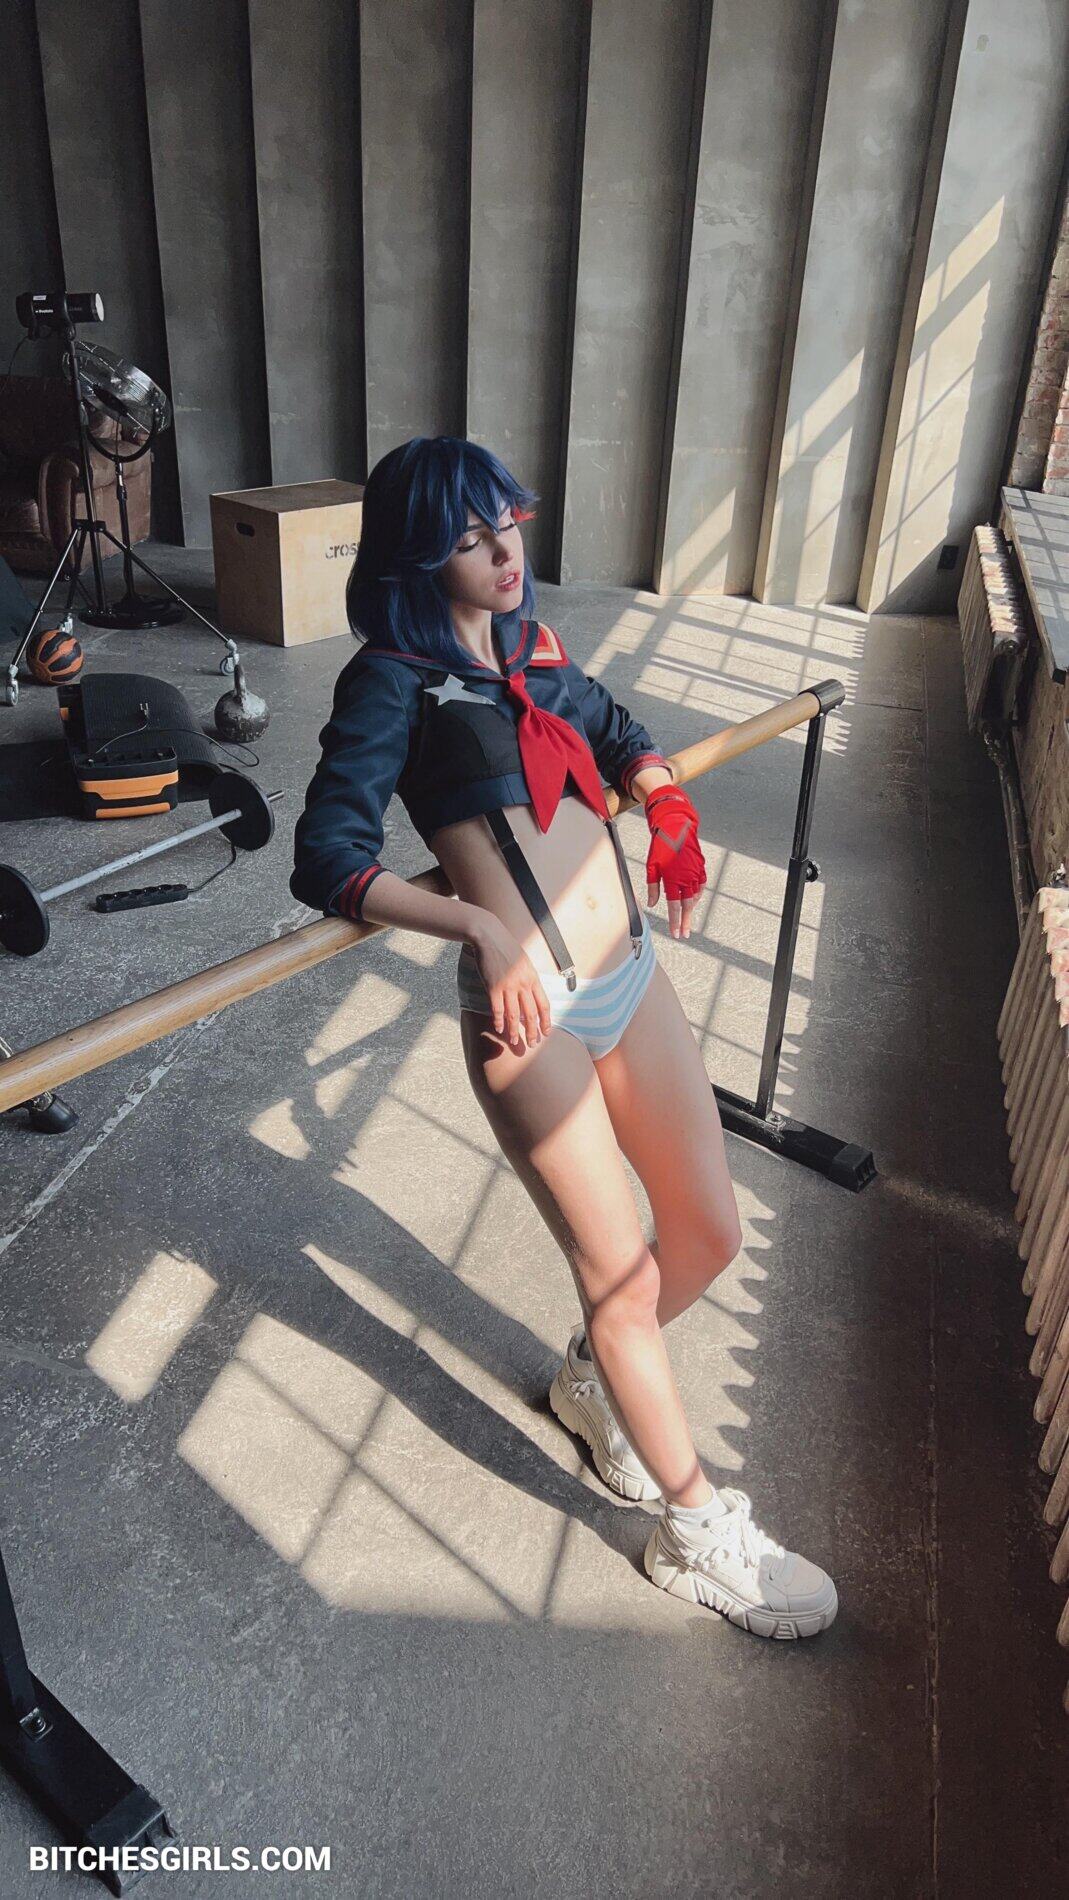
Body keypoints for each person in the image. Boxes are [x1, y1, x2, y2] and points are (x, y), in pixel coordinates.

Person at [291, 436, 837, 1639]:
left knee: (709, 1232)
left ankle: (592, 1382)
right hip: (528, 1017)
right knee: (623, 1277)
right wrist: (475, 923)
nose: (502, 554)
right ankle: (694, 1532)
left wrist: (667, 801)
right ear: (418, 555)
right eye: (469, 538)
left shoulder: (528, 643)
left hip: (629, 975)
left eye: (508, 526)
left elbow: (614, 723)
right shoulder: (390, 680)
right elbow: (326, 855)